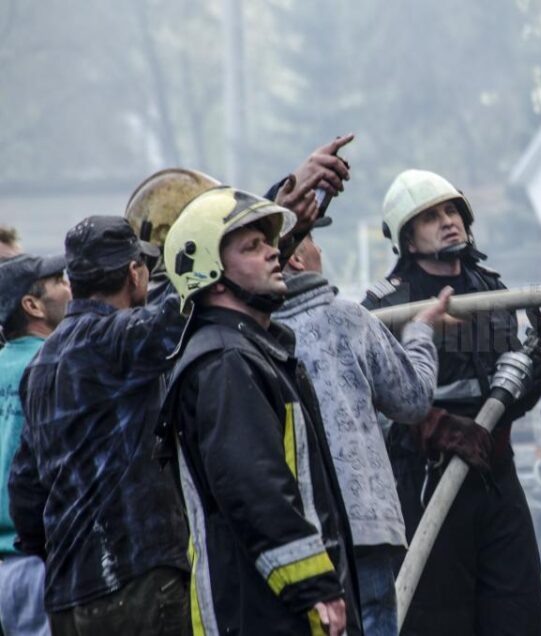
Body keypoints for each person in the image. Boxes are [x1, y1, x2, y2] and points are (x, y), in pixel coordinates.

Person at [161, 187, 362, 636]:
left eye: (268, 242)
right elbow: (254, 488)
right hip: (265, 612)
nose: (274, 253)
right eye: (252, 247)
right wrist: (314, 587)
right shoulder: (227, 363)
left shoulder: (252, 353)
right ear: (213, 276)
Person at [362, 169, 541, 636]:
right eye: (430, 216)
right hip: (426, 487)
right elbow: (366, 405)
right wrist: (432, 425)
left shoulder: (491, 290)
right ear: (407, 238)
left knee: (518, 613)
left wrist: (533, 370)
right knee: (437, 619)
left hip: (496, 478)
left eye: (451, 211)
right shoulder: (384, 308)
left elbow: (515, 391)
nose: (448, 222)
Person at [9, 217, 190, 636]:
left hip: (68, 597)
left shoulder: (40, 365)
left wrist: (54, 550)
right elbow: (192, 301)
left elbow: (24, 490)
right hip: (135, 580)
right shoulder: (116, 338)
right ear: (134, 273)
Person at [273, 230, 447, 636]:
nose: (321, 248)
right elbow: (413, 400)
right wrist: (421, 334)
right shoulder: (347, 318)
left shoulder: (256, 335)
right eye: (314, 240)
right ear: (297, 259)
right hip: (364, 524)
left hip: (296, 536)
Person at [0, 254, 70, 636]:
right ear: (32, 306)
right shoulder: (53, 366)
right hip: (40, 561)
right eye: (59, 281)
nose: (69, 287)